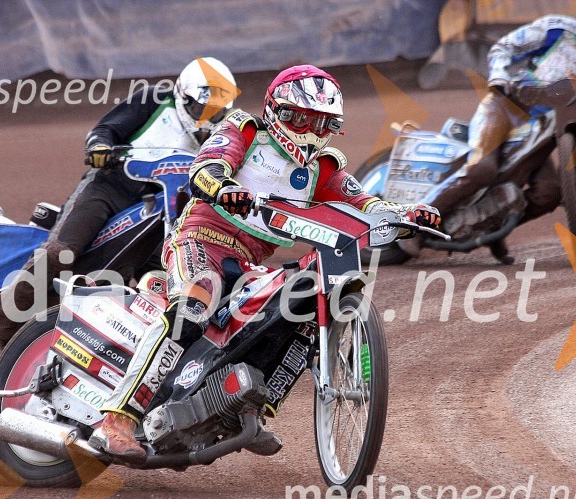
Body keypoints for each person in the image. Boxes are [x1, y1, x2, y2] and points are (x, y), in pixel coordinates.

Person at [89, 64, 441, 462]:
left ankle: (246, 405)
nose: (311, 132)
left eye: (323, 124)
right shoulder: (245, 131)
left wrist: (406, 214)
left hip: (248, 261)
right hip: (200, 241)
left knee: (296, 309)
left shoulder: (324, 167)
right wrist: (222, 187)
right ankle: (116, 420)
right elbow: (205, 167)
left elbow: (365, 204)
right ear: (278, 111)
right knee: (194, 305)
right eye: (303, 119)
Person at [0, 57, 238, 361]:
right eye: (202, 109)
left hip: (158, 213)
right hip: (109, 188)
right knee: (60, 252)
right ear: (183, 97)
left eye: (218, 112)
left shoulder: (220, 139)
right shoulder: (153, 100)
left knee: (156, 278)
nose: (208, 119)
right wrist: (99, 147)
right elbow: (105, 130)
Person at [413, 0, 576, 260]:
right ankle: (413, 227)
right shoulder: (557, 29)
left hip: (543, 130)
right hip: (506, 107)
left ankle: (492, 230)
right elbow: (504, 47)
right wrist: (499, 76)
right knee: (482, 169)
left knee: (550, 193)